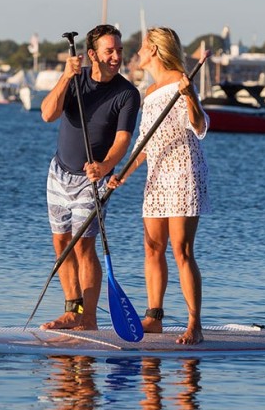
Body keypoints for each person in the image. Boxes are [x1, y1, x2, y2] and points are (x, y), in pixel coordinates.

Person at [108, 27, 210, 345]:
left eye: (141, 47)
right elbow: (144, 142)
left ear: (153, 50)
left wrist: (190, 95)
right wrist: (123, 172)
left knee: (181, 251)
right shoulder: (150, 93)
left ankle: (195, 324)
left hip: (183, 173)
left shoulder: (181, 81)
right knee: (152, 248)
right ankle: (154, 317)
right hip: (157, 176)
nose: (136, 53)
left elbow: (201, 125)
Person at [40, 24, 141, 331]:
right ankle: (72, 309)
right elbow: (47, 114)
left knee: (83, 246)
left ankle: (89, 319)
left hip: (92, 179)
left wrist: (105, 165)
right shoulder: (76, 81)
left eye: (119, 50)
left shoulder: (127, 93)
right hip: (58, 174)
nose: (116, 57)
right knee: (61, 244)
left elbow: (123, 139)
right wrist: (66, 77)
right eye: (110, 51)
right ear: (92, 55)